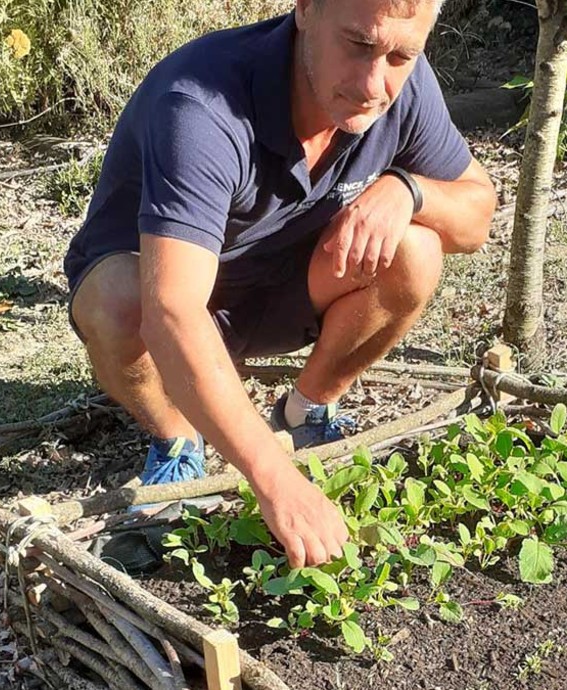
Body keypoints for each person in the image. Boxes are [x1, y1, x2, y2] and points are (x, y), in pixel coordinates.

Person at [63, 0, 497, 570]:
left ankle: (306, 411)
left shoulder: (405, 87)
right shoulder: (202, 101)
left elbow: (478, 213)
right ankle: (178, 441)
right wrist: (275, 479)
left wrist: (410, 190)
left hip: (285, 283)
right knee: (118, 301)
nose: (373, 84)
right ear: (305, 9)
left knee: (416, 249)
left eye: (399, 55)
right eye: (358, 45)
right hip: (168, 302)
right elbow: (171, 311)